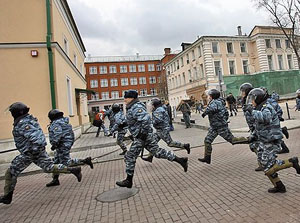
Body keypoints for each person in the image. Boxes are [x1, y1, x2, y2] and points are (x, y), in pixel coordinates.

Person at [0, 103, 82, 204]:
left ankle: (7, 196)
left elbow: (38, 139)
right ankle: (73, 170)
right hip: (34, 151)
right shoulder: (28, 120)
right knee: (49, 167)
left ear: (18, 112)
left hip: (29, 153)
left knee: (11, 172)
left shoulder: (24, 123)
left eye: (12, 112)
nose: (12, 114)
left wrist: (33, 150)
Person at [116, 90, 188, 188]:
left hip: (142, 137)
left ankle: (129, 180)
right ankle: (180, 160)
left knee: (129, 156)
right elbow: (134, 120)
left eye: (126, 98)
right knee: (157, 152)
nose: (124, 100)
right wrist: (124, 124)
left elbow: (146, 120)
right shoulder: (132, 107)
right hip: (142, 136)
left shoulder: (137, 107)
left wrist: (142, 134)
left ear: (131, 98)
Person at [244, 88, 300, 193]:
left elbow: (266, 118)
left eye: (252, 99)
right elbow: (259, 126)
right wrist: (253, 136)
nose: (251, 102)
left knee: (268, 166)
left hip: (271, 140)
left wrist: (251, 111)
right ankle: (279, 185)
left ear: (259, 99)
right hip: (264, 140)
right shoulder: (260, 108)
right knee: (264, 164)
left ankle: (291, 162)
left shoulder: (266, 107)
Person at [198, 89, 249, 164]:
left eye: (209, 95)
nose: (208, 97)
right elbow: (226, 113)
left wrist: (205, 113)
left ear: (212, 96)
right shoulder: (218, 102)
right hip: (214, 127)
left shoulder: (216, 102)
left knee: (233, 140)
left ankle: (249, 140)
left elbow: (212, 108)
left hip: (221, 127)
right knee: (207, 141)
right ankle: (207, 157)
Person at [46, 109, 94, 187]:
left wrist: (54, 144)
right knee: (56, 161)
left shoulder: (56, 123)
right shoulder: (64, 122)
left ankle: (81, 165)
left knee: (65, 163)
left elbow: (57, 134)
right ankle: (55, 179)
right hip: (65, 143)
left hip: (62, 144)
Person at [142, 98, 190, 163]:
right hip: (160, 130)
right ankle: (150, 157)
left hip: (162, 130)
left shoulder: (158, 110)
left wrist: (150, 121)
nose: (151, 106)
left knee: (170, 143)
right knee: (153, 143)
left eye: (152, 105)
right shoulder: (159, 109)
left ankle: (185, 146)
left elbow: (158, 120)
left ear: (155, 105)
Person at [261, 88, 289, 154]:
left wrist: (278, 117)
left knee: (273, 134)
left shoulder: (268, 101)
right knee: (274, 134)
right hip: (272, 120)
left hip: (272, 120)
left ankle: (284, 147)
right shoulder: (267, 101)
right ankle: (282, 131)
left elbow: (276, 109)